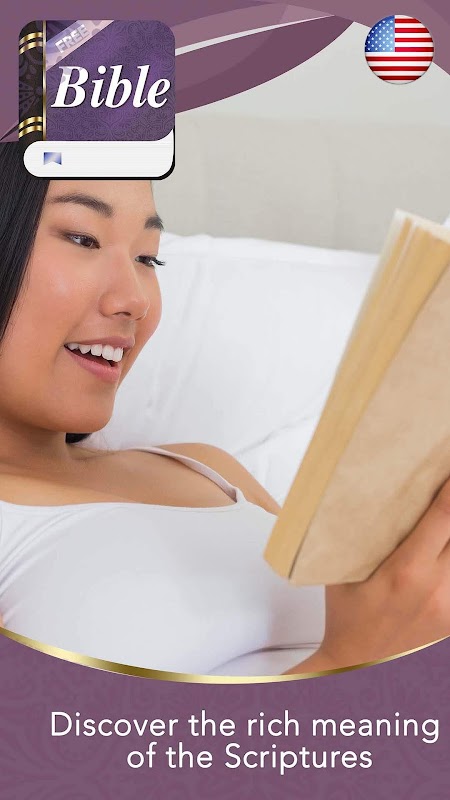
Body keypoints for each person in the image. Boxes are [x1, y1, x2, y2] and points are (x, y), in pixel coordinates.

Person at [0, 142, 449, 675]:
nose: (136, 300)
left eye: (147, 258)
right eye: (83, 238)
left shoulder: (207, 470)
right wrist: (352, 662)